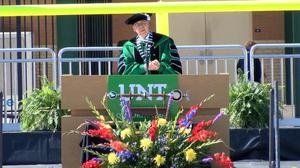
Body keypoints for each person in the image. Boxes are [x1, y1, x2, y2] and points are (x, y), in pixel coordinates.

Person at [117, 13, 182, 75]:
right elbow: (125, 70)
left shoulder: (165, 41)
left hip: (161, 83)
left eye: (143, 22)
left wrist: (160, 66)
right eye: (137, 24)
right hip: (136, 84)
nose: (141, 26)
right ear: (134, 28)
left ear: (148, 24)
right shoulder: (128, 46)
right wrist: (144, 67)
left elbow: (174, 67)